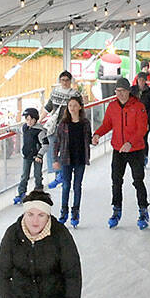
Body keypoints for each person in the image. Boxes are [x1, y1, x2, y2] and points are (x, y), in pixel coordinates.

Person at [91, 77, 150, 230]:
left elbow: (142, 128)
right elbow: (107, 124)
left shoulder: (138, 106)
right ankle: (116, 209)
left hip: (135, 150)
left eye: (123, 91)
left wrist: (130, 143)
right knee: (116, 181)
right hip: (118, 149)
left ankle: (143, 210)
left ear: (129, 91)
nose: (121, 94)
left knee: (138, 181)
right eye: (118, 91)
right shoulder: (112, 107)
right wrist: (97, 134)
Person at [51, 96, 91, 228]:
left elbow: (88, 139)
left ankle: (75, 211)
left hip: (80, 158)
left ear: (80, 107)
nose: (72, 108)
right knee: (66, 185)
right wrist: (55, 159)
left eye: (74, 105)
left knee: (77, 185)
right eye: (70, 106)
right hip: (66, 159)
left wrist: (95, 139)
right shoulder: (63, 124)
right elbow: (56, 142)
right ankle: (64, 211)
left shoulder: (85, 123)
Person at [43, 70, 83, 187]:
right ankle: (58, 175)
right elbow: (48, 107)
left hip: (68, 127)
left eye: (67, 80)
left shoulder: (75, 94)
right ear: (60, 81)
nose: (65, 82)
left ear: (70, 81)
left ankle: (64, 176)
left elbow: (80, 110)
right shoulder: (55, 92)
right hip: (55, 127)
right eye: (63, 80)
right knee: (52, 149)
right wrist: (39, 120)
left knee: (66, 151)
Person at [13, 108, 47, 204]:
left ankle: (38, 192)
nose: (28, 121)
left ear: (35, 119)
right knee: (24, 175)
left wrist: (39, 155)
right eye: (27, 119)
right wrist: (8, 129)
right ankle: (21, 193)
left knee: (37, 175)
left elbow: (45, 144)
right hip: (27, 156)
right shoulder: (25, 128)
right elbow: (18, 130)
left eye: (30, 119)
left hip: (37, 157)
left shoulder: (39, 130)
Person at [134, 72, 150, 160]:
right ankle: (136, 156)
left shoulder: (149, 91)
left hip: (145, 118)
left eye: (143, 80)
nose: (141, 82)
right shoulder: (132, 90)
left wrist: (149, 121)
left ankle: (144, 156)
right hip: (134, 119)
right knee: (135, 138)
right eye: (140, 80)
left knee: (144, 139)